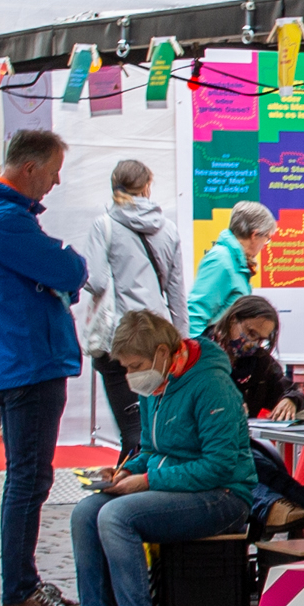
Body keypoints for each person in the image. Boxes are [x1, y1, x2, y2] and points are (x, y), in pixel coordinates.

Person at [54, 309, 260, 606]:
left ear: (163, 354)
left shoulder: (212, 386)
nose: (131, 375)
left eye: (135, 365)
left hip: (224, 496)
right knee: (86, 512)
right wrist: (125, 471)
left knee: (117, 517)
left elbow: (219, 466)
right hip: (180, 487)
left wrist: (147, 481)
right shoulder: (157, 384)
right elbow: (150, 449)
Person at [0, 127, 89, 606]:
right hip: (28, 361)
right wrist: (64, 262)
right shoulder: (4, 220)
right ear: (30, 167)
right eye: (54, 172)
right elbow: (68, 270)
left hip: (24, 358)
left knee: (30, 476)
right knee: (29, 477)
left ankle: (23, 579)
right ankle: (18, 587)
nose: (56, 183)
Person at [88, 159, 190, 454]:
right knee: (156, 428)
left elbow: (95, 281)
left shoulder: (104, 226)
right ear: (148, 186)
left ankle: (127, 492)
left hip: (118, 341)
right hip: (156, 341)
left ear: (114, 187)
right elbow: (176, 292)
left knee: (130, 429)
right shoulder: (167, 229)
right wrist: (180, 341)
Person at [187, 201, 273, 331]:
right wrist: (200, 349)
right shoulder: (221, 260)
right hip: (210, 347)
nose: (265, 245)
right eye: (267, 238)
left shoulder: (237, 262)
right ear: (254, 235)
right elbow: (196, 313)